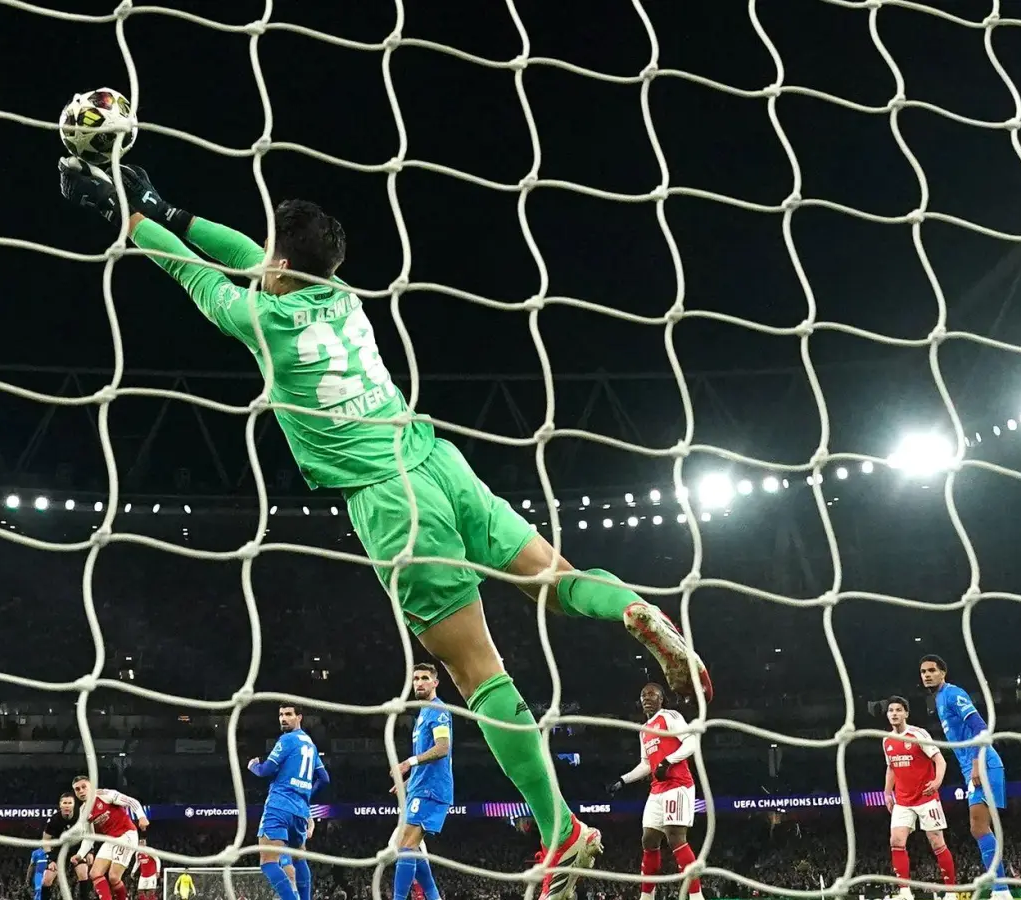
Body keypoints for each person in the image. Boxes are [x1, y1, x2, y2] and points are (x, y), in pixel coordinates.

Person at [57, 159, 715, 900]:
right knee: (559, 581)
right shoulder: (342, 298)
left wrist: (125, 213)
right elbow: (248, 252)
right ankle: (633, 607)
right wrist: (162, 202)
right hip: (440, 462)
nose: (259, 257)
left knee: (479, 674)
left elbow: (192, 271)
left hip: (395, 506)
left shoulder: (263, 321)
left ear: (281, 265)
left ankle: (560, 827)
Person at [918, 655, 1011, 900]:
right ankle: (1001, 890)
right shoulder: (939, 700)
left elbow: (980, 727)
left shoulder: (952, 694)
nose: (927, 675)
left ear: (943, 673)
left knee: (978, 826)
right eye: (923, 672)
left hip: (984, 763)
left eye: (932, 670)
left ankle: (1001, 891)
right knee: (979, 828)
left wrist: (977, 764)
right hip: (973, 766)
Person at [606, 683, 702, 900]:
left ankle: (696, 896)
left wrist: (668, 761)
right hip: (657, 789)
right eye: (643, 695)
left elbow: (691, 742)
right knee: (648, 840)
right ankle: (647, 896)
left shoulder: (670, 716)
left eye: (652, 694)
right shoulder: (644, 731)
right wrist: (623, 780)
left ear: (661, 699)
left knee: (675, 837)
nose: (647, 697)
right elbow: (646, 764)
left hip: (677, 785)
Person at [248, 705, 328, 900]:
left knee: (268, 861)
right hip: (300, 810)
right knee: (299, 858)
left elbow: (265, 770)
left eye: (288, 714)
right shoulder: (310, 744)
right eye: (281, 715)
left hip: (279, 806)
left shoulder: (287, 740)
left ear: (299, 717)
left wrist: (254, 766)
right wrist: (305, 795)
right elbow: (324, 778)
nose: (283, 718)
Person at [880, 696, 955, 897]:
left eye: (898, 710)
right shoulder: (886, 740)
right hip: (903, 800)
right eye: (891, 710)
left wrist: (937, 781)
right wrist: (887, 793)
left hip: (926, 798)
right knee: (896, 841)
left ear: (906, 713)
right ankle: (905, 892)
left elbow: (940, 760)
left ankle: (951, 892)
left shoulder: (918, 734)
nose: (894, 713)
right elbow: (891, 768)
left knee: (937, 842)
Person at [390, 663, 452, 900]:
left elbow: (442, 748)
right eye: (416, 678)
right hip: (420, 787)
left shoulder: (438, 710)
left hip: (431, 790)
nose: (419, 683)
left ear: (435, 683)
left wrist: (409, 762)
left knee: (405, 844)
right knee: (410, 847)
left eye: (425, 678)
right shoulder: (423, 714)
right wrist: (408, 782)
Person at [72, 775, 150, 900]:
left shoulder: (105, 795)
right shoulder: (83, 811)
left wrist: (141, 816)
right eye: (77, 789)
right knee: (94, 873)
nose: (81, 791)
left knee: (113, 877)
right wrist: (80, 854)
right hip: (110, 839)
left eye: (84, 787)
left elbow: (132, 802)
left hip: (126, 835)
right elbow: (89, 837)